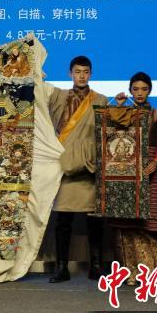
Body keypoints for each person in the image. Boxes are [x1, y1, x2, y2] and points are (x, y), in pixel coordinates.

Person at [111, 72, 157, 284]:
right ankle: (135, 272)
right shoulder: (123, 114)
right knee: (128, 224)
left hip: (151, 171)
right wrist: (118, 106)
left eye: (144, 89)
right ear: (130, 91)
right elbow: (110, 134)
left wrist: (156, 162)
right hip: (127, 170)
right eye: (135, 89)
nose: (140, 93)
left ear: (149, 90)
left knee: (155, 221)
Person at [47, 56, 108, 282]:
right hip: (64, 164)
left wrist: (120, 108)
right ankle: (61, 267)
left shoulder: (101, 100)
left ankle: (96, 267)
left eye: (85, 72)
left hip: (89, 165)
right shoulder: (58, 97)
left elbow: (107, 133)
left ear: (90, 74)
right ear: (70, 73)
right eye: (77, 71)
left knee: (94, 220)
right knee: (63, 220)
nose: (81, 76)